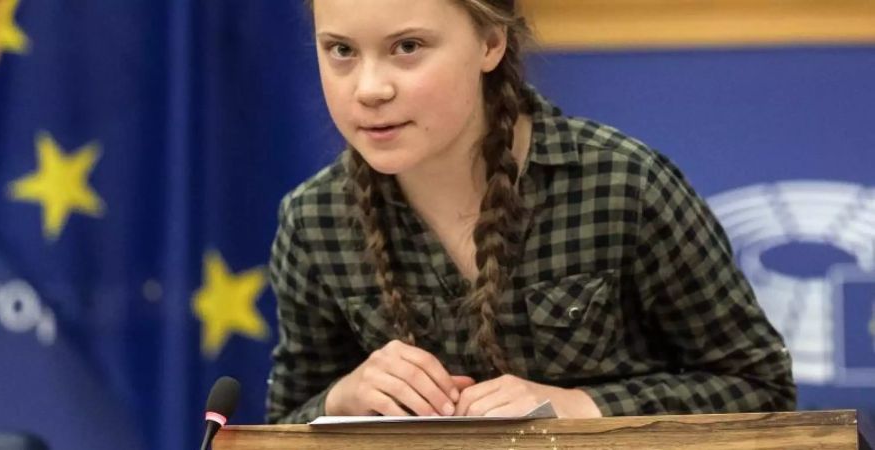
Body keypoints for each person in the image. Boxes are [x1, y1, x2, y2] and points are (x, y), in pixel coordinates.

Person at [265, 0, 795, 424]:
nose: (369, 88)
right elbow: (281, 424)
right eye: (340, 51)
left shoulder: (624, 184)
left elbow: (761, 389)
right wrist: (342, 398)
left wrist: (580, 408)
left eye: (407, 47)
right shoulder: (313, 220)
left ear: (491, 42)